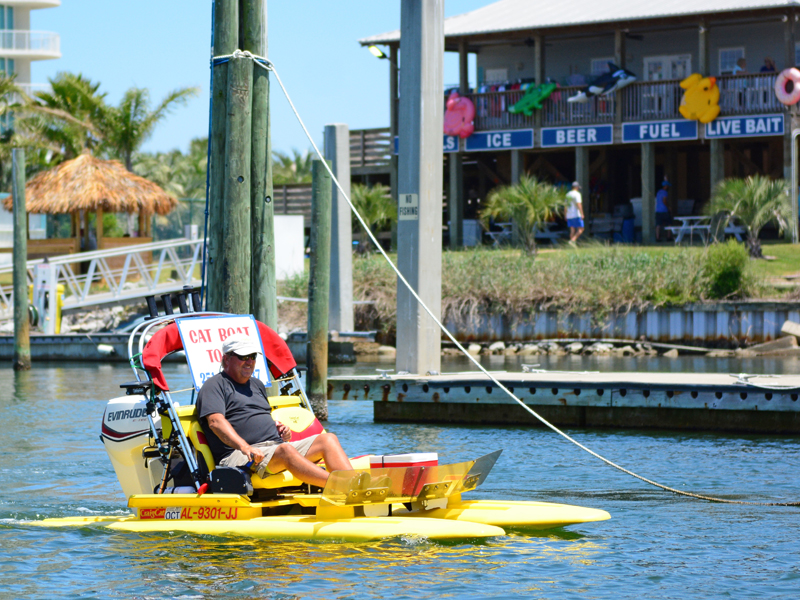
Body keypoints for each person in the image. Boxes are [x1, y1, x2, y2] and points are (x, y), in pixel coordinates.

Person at [197, 332, 353, 488]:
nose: (249, 362)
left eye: (252, 356)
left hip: (274, 448)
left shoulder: (257, 385)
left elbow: (259, 417)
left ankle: (356, 486)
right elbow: (215, 422)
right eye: (243, 357)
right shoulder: (214, 385)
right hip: (239, 455)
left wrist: (279, 429)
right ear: (226, 359)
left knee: (328, 439)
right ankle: (342, 486)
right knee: (285, 450)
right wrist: (245, 447)